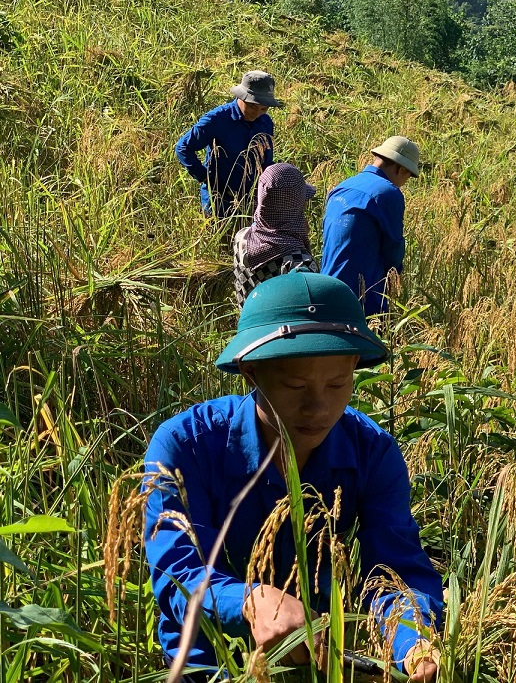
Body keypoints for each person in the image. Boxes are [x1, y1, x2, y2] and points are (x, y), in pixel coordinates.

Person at [143, 270, 443, 681]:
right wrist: (249, 602)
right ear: (251, 371)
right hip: (208, 664)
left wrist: (413, 638)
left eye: (338, 384)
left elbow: (395, 568)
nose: (318, 408)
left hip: (317, 660)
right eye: (295, 386)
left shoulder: (373, 453)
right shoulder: (185, 447)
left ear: (355, 366)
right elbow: (179, 572)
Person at [320, 136, 419, 317]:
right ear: (401, 169)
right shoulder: (388, 193)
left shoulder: (342, 187)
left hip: (326, 287)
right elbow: (393, 248)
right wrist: (394, 277)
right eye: (408, 176)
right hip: (361, 296)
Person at [175, 71, 281, 218]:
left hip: (252, 203)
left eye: (263, 109)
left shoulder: (265, 122)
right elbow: (183, 147)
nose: (257, 113)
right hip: (220, 204)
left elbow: (266, 161)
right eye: (252, 106)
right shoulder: (216, 120)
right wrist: (206, 178)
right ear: (240, 97)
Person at [232, 162, 319, 308]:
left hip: (248, 327)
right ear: (295, 206)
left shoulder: (241, 237)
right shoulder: (299, 263)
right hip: (283, 330)